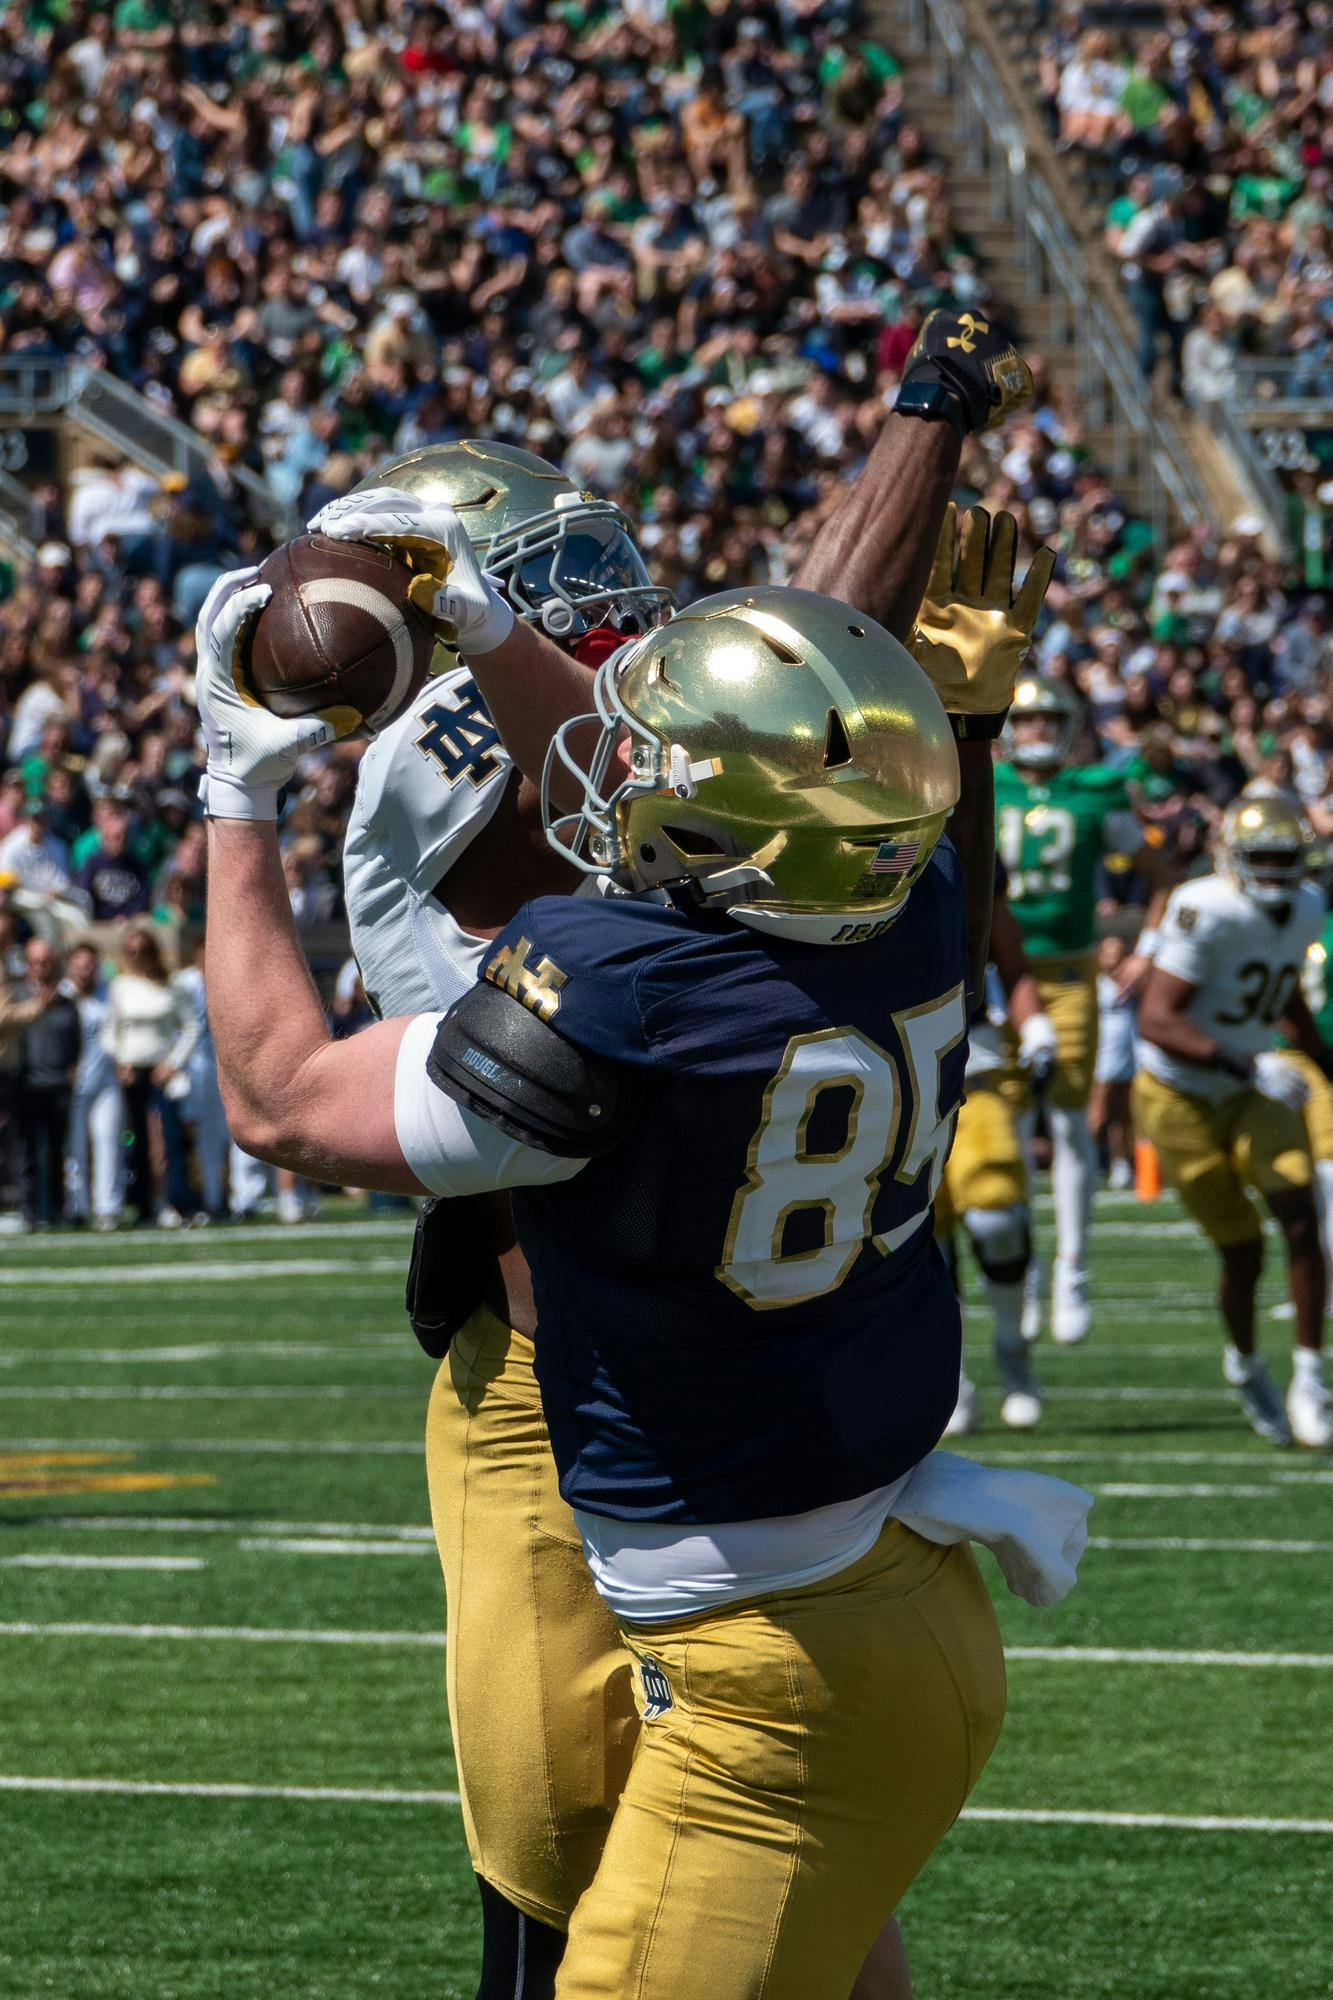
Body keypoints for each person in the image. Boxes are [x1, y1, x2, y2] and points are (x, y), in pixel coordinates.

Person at [196, 509, 1085, 2000]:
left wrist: (235, 788)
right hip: (883, 1597)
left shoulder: (629, 998)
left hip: (777, 1681)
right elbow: (664, 804)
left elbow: (278, 1099)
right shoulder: (908, 913)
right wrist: (489, 635)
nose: (626, 774)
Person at [1134, 783, 1331, 1448]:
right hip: (1180, 1094)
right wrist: (1248, 1064)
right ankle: (1246, 1362)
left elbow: (1289, 1003)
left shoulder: (1305, 905)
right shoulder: (1204, 907)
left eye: (1284, 858)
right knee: (1241, 1251)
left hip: (1253, 1084)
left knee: (1301, 1219)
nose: (1273, 872)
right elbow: (1156, 1018)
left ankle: (1310, 1376)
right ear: (1232, 856)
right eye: (1262, 858)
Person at [995, 673, 1167, 1344]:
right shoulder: (984, 783)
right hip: (994, 977)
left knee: (1069, 1123)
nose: (1036, 731)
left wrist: (1143, 952)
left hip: (1067, 974)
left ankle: (1071, 1268)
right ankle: (1026, 1271)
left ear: (1066, 726)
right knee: (1005, 1130)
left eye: (1047, 720)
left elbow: (1158, 881)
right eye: (1027, 719)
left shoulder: (1095, 792)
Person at [941, 876, 1058, 1435]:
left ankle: (1015, 1354)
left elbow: (1012, 965)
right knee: (918, 1248)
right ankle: (953, 1380)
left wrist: (1036, 1030)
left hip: (974, 1070)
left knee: (996, 1214)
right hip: (888, 1075)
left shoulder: (965, 865)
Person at [101, 924, 197, 1227]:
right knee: (137, 1141)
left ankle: (174, 1200)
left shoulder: (171, 985)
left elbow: (192, 1027)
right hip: (133, 1072)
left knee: (168, 1138)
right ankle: (143, 1202)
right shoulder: (121, 986)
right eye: (131, 951)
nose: (137, 956)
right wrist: (120, 1061)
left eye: (142, 950)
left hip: (162, 1072)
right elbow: (110, 1031)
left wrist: (172, 1063)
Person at [15, 937, 82, 1229]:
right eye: (35, 962)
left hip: (57, 1084)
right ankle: (30, 1209)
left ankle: (56, 1208)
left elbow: (75, 1042)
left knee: (56, 1151)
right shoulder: (17, 999)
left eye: (45, 961)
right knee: (28, 1151)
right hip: (27, 1084)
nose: (40, 968)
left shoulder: (66, 1003)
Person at [62, 939, 124, 1230]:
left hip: (106, 1081)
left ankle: (108, 1207)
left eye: (89, 963)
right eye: (79, 963)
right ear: (70, 964)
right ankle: (76, 1206)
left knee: (108, 1140)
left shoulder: (109, 994)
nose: (85, 969)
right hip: (72, 1082)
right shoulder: (61, 995)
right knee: (74, 1147)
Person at [1089, 934, 1137, 1189]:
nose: (1112, 959)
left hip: (1129, 1051)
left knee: (1123, 1115)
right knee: (1099, 1110)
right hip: (1104, 1051)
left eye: (1117, 953)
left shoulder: (1132, 980)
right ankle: (1089, 1159)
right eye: (1107, 953)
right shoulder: (1096, 983)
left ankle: (1121, 1165)